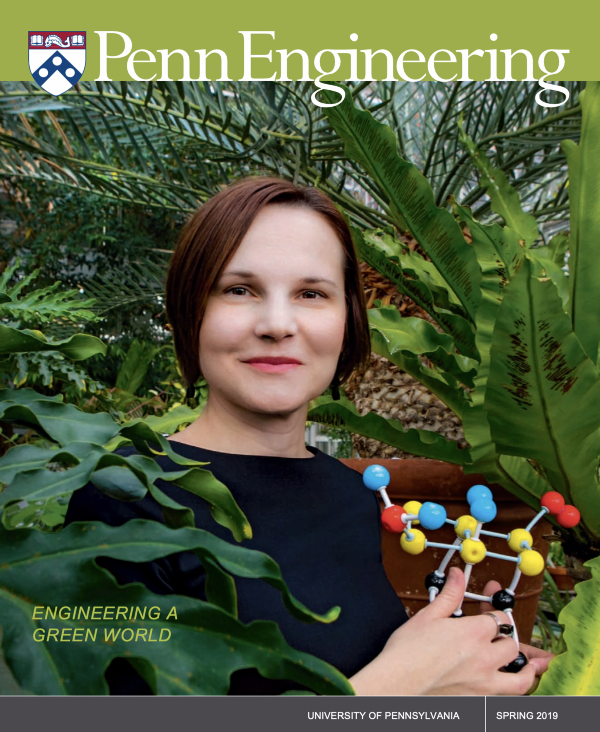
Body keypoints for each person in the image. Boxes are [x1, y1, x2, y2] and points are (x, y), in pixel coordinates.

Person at [66, 177, 552, 695]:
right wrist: (399, 686)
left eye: (311, 293)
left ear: (348, 320)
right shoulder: (122, 500)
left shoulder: (351, 495)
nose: (278, 323)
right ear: (191, 311)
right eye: (239, 289)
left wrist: (460, 664)